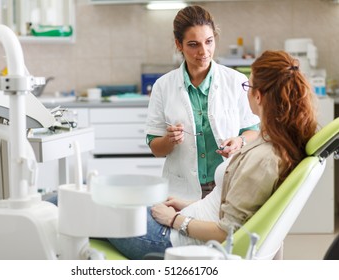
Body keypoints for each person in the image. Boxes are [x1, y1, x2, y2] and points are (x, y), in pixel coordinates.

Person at [105, 50, 318, 259]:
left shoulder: (263, 159)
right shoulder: (273, 143)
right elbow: (230, 209)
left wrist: (173, 220)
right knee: (112, 197)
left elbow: (227, 233)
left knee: (93, 209)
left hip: (176, 239)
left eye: (248, 86)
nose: (245, 91)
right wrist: (186, 206)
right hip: (187, 218)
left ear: (259, 95)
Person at [146, 5, 260, 200]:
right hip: (182, 189)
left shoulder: (235, 81)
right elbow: (156, 148)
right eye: (193, 44)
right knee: (183, 230)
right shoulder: (163, 86)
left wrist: (239, 141)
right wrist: (168, 140)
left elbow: (254, 131)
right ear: (179, 44)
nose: (204, 51)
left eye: (209, 41)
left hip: (227, 185)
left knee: (223, 231)